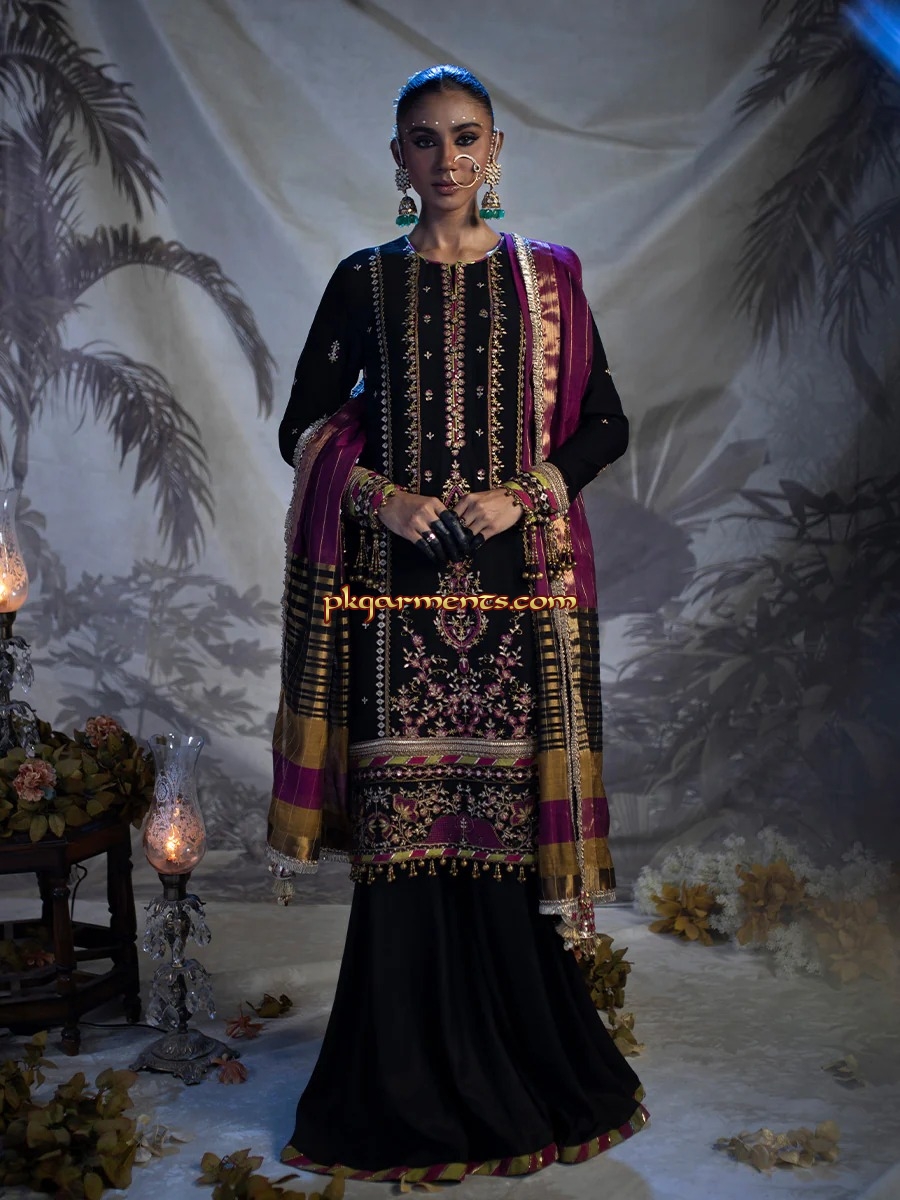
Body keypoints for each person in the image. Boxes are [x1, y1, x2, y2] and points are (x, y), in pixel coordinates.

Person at [266, 64, 649, 1185]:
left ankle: (523, 1059)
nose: (446, 159)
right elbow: (300, 428)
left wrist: (524, 495)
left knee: (503, 835)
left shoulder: (548, 279)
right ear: (398, 158)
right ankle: (398, 1082)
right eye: (424, 140)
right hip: (396, 601)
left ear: (495, 152)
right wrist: (380, 498)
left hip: (516, 593)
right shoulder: (364, 280)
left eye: (465, 137)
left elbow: (606, 423)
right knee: (404, 837)